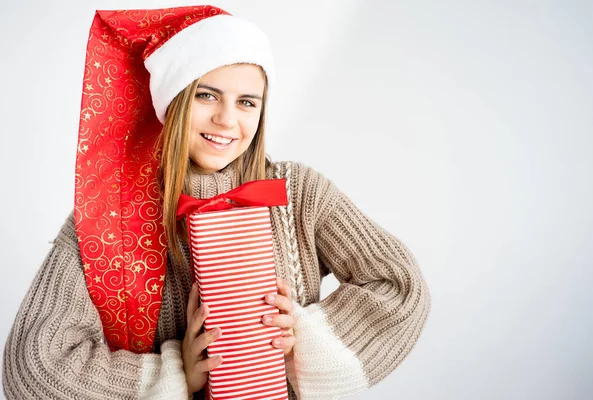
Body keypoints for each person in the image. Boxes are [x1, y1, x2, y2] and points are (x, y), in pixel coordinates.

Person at [2, 5, 431, 400]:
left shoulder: (296, 191)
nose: (227, 119)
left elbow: (399, 286)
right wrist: (172, 376)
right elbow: (33, 368)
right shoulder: (107, 215)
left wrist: (303, 340)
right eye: (207, 95)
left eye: (246, 103)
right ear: (173, 101)